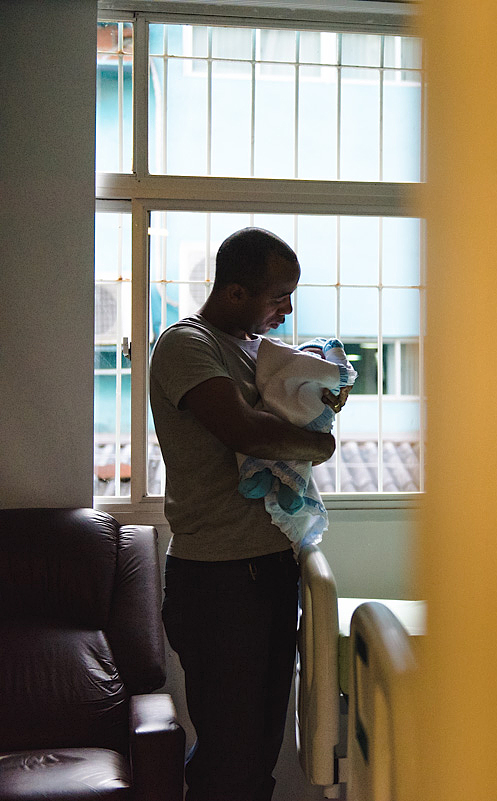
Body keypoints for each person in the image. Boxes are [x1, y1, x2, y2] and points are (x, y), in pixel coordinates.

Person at [150, 227, 343, 801]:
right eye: (277, 296)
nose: (286, 308)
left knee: (261, 749)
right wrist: (321, 446)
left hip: (270, 569)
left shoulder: (256, 350)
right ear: (234, 292)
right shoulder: (188, 343)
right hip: (218, 580)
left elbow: (289, 407)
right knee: (229, 754)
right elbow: (242, 429)